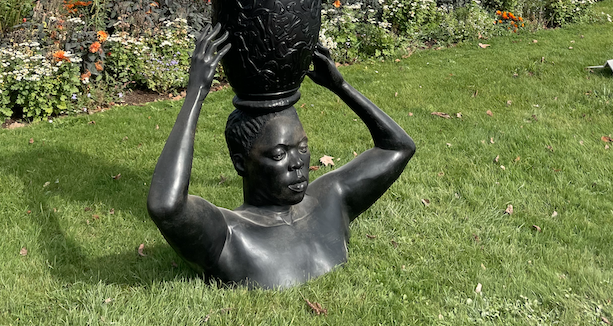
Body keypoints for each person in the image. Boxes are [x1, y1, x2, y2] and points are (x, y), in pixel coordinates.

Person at [147, 25, 415, 289]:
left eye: (301, 148)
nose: (297, 163)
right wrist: (195, 94)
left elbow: (398, 148)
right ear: (241, 162)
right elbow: (166, 206)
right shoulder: (229, 235)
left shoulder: (331, 199)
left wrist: (341, 85)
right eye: (278, 154)